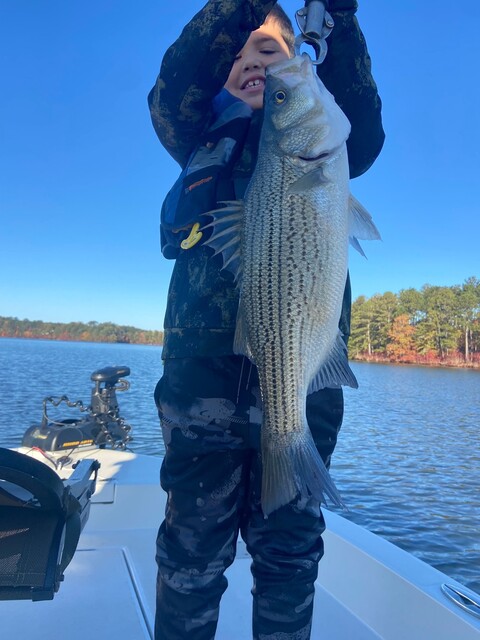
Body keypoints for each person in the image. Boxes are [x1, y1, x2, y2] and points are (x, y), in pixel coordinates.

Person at [148, 1, 384, 638]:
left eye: (271, 52)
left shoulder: (327, 136)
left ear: (307, 65)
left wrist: (338, 18)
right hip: (203, 376)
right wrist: (247, 8)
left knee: (290, 548)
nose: (255, 65)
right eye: (240, 55)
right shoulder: (196, 126)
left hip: (309, 367)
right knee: (192, 549)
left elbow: (363, 124)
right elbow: (179, 78)